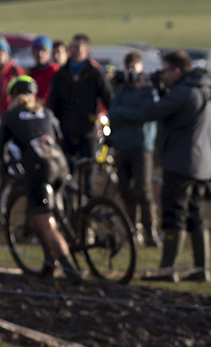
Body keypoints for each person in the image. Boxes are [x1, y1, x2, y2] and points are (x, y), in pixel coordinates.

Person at [139, 49, 211, 282]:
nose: (161, 75)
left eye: (164, 71)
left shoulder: (184, 93)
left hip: (180, 162)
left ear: (176, 70)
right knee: (195, 215)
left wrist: (147, 89)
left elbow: (151, 112)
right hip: (202, 164)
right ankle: (201, 269)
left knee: (175, 215)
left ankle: (166, 269)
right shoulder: (206, 91)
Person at [0, 76, 81, 282]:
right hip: (59, 163)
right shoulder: (47, 112)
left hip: (38, 168)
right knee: (55, 211)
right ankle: (53, 258)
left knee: (44, 222)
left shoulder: (10, 116)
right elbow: (59, 137)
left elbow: (2, 150)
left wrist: (7, 168)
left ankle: (70, 268)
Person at [48, 34, 112, 198]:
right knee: (66, 178)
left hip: (88, 133)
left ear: (87, 51)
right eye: (73, 48)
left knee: (89, 180)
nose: (75, 52)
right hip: (65, 133)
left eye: (79, 48)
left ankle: (88, 219)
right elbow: (52, 105)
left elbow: (109, 100)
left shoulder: (94, 74)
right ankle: (69, 216)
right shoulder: (61, 75)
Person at [108, 50, 160, 247]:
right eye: (128, 68)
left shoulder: (146, 90)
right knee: (125, 192)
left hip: (141, 146)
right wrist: (127, 115)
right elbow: (112, 114)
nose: (130, 72)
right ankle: (131, 231)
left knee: (143, 191)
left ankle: (151, 232)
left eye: (134, 68)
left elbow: (146, 114)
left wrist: (124, 114)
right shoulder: (120, 92)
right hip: (122, 146)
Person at [28, 35, 59, 105]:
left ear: (49, 52)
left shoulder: (54, 70)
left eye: (43, 50)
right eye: (37, 50)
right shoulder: (31, 73)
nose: (40, 54)